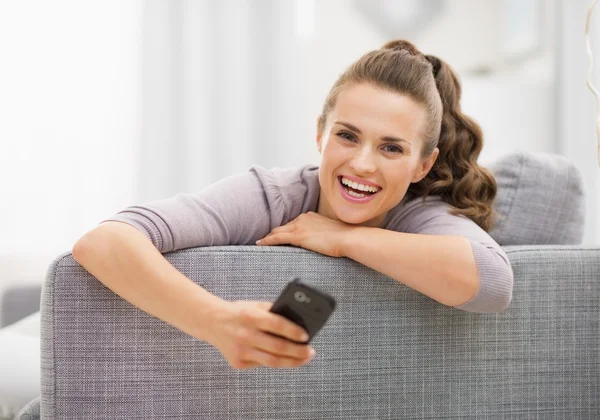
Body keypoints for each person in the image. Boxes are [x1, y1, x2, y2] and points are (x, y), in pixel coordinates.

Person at [72, 40, 514, 371]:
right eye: (347, 135)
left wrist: (343, 238)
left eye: (392, 148)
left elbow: (491, 280)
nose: (362, 164)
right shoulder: (273, 195)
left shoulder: (418, 214)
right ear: (320, 133)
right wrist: (215, 321)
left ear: (423, 165)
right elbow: (104, 241)